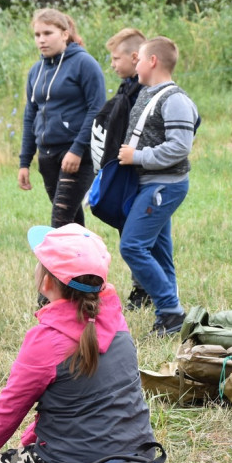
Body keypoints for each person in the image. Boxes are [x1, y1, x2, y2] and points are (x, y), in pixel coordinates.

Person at [0, 224, 155, 463]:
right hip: (137, 461)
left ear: (46, 282)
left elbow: (6, 414)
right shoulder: (118, 322)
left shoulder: (46, 339)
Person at [116, 36, 199, 336]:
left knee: (132, 246)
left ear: (153, 61)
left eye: (139, 59)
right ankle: (168, 317)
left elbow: (180, 146)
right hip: (149, 184)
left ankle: (171, 311)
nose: (134, 64)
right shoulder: (147, 93)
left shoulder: (174, 98)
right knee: (160, 253)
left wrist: (137, 156)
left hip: (164, 186)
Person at [19, 8, 106, 228]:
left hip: (77, 155)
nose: (41, 40)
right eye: (37, 35)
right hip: (47, 156)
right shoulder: (35, 71)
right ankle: (86, 262)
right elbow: (30, 116)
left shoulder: (84, 64)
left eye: (48, 33)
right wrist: (24, 162)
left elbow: (97, 109)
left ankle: (50, 264)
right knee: (72, 224)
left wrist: (77, 149)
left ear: (64, 34)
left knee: (60, 222)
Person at [90, 28, 153, 311]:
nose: (112, 64)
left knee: (136, 238)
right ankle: (143, 287)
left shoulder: (145, 92)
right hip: (121, 173)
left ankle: (145, 290)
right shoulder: (126, 88)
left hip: (138, 176)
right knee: (127, 232)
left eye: (116, 58)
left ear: (135, 56)